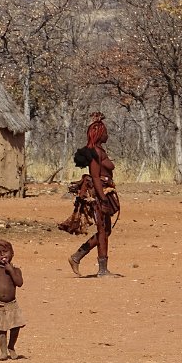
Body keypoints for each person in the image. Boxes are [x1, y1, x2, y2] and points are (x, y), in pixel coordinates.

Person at [68, 112, 119, 277]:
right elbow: (96, 177)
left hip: (103, 192)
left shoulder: (99, 151)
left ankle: (78, 257)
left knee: (106, 231)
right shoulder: (95, 153)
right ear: (99, 134)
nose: (107, 135)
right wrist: (102, 198)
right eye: (105, 132)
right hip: (99, 195)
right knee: (103, 231)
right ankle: (101, 269)